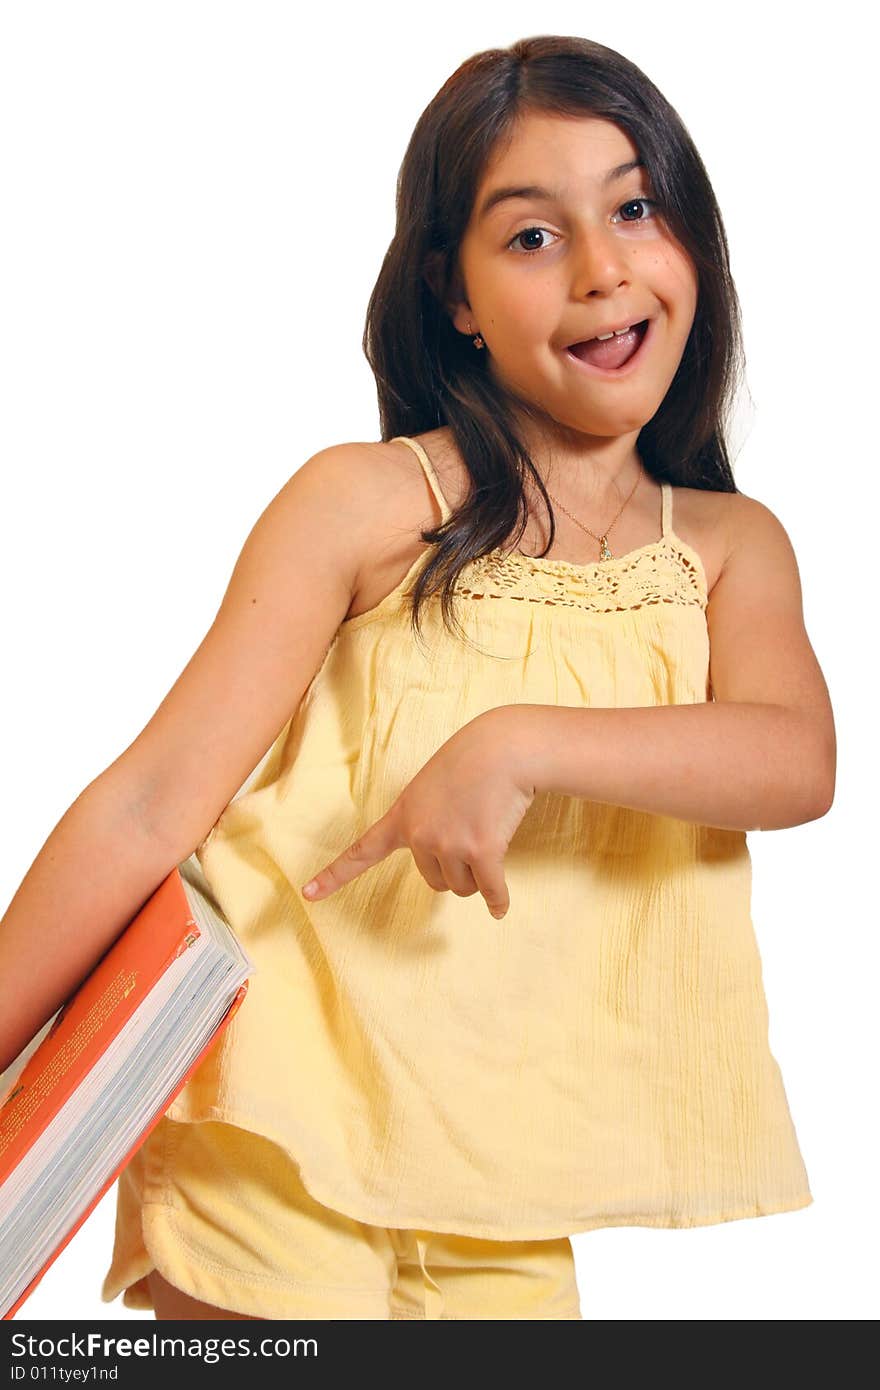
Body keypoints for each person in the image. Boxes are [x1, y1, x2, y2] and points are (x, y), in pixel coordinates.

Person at [0, 35, 835, 1322]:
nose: (603, 267)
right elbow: (151, 801)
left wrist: (517, 741)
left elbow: (792, 761)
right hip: (281, 1121)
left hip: (509, 1175)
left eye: (632, 206)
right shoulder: (372, 502)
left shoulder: (724, 551)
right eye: (531, 237)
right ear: (453, 293)